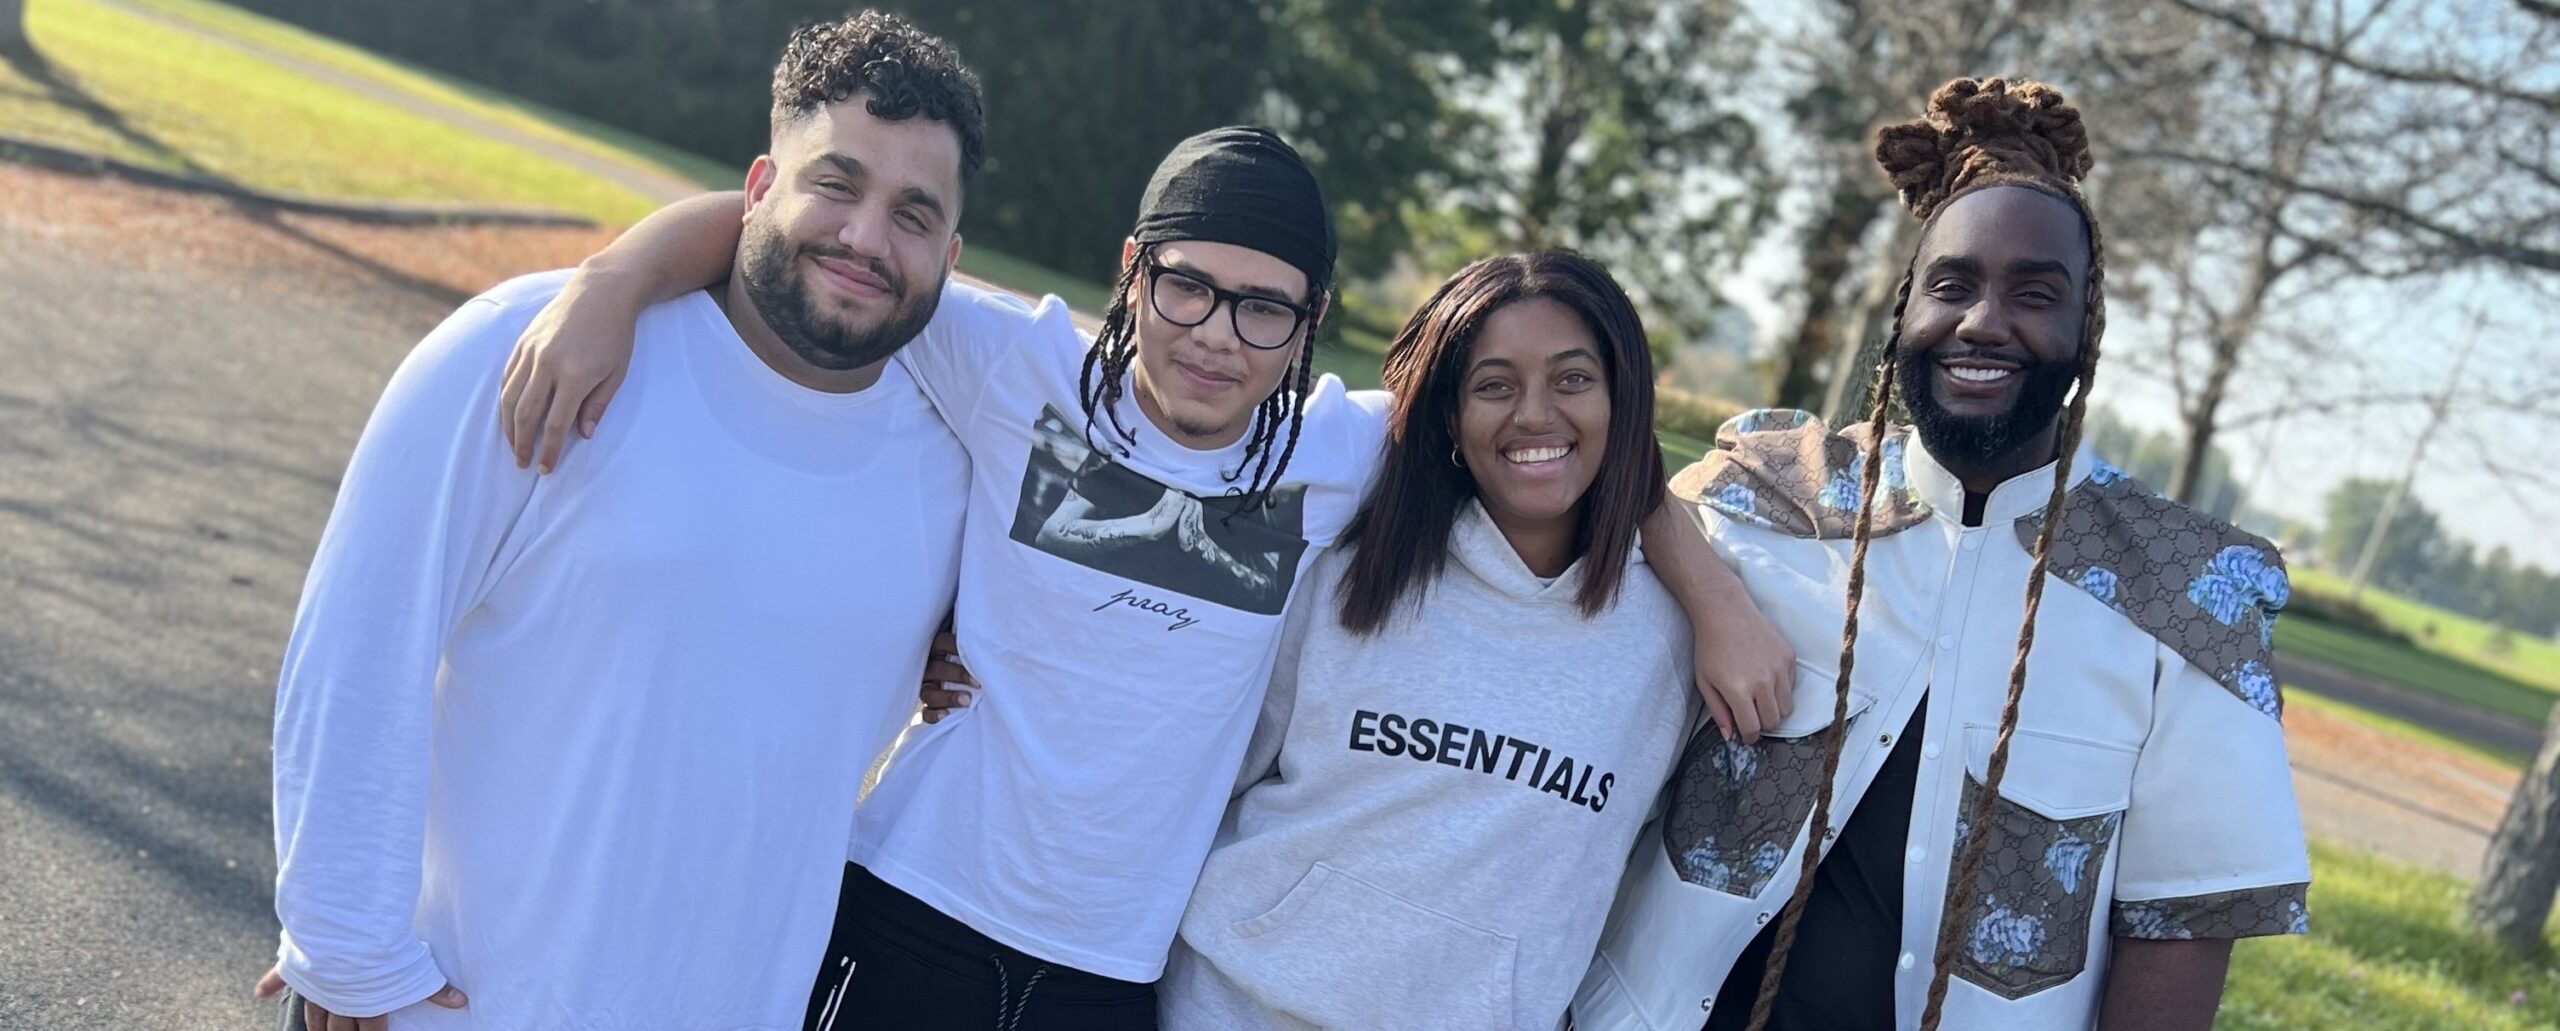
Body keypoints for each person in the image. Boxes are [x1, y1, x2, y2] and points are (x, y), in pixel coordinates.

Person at [505, 131, 1796, 1027]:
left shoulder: (1343, 449)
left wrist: (1713, 594)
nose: (1216, 337)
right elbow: (793, 236)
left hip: (1115, 972)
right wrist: (612, 281)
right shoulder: (1016, 366)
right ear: (1133, 269)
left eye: (1263, 308)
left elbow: (1555, 440)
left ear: (1309, 323)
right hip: (911, 904)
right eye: (1188, 288)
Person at [254, 12, 982, 1030]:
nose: (866, 238)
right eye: (835, 183)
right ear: (758, 188)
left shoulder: (958, 466)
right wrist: (345, 944)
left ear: (951, 253)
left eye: (912, 214)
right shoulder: (533, 348)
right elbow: (364, 639)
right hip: (452, 1001)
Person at [1573, 78, 2310, 1031]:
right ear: (1905, 308)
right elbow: (1583, 520)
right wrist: (1713, 596)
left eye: (2034, 294)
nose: (1983, 322)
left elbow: (2179, 930)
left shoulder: (2186, 597)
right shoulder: (1767, 497)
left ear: (2085, 330)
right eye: (1951, 286)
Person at [1150, 251, 1703, 1029]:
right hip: (1228, 1007)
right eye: (1494, 385)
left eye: (1574, 379)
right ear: (1450, 415)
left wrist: (1723, 607)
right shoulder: (1346, 566)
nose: (1534, 414)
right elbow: (1203, 773)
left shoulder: (1678, 633)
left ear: (1623, 398)